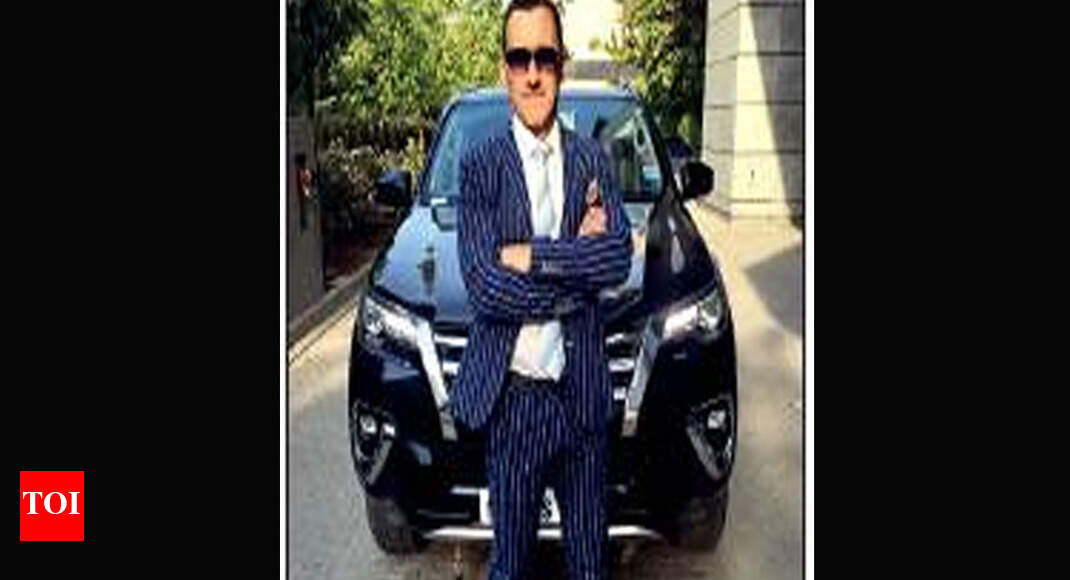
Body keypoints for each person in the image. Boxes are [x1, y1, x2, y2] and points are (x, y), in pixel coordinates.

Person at [450, 1, 634, 578]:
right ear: (504, 69)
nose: (532, 74)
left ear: (562, 65)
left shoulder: (592, 159)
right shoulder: (480, 167)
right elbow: (485, 287)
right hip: (515, 403)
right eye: (519, 58)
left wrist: (533, 256)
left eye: (545, 57)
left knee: (590, 566)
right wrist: (579, 272)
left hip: (583, 396)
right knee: (510, 566)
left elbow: (617, 257)